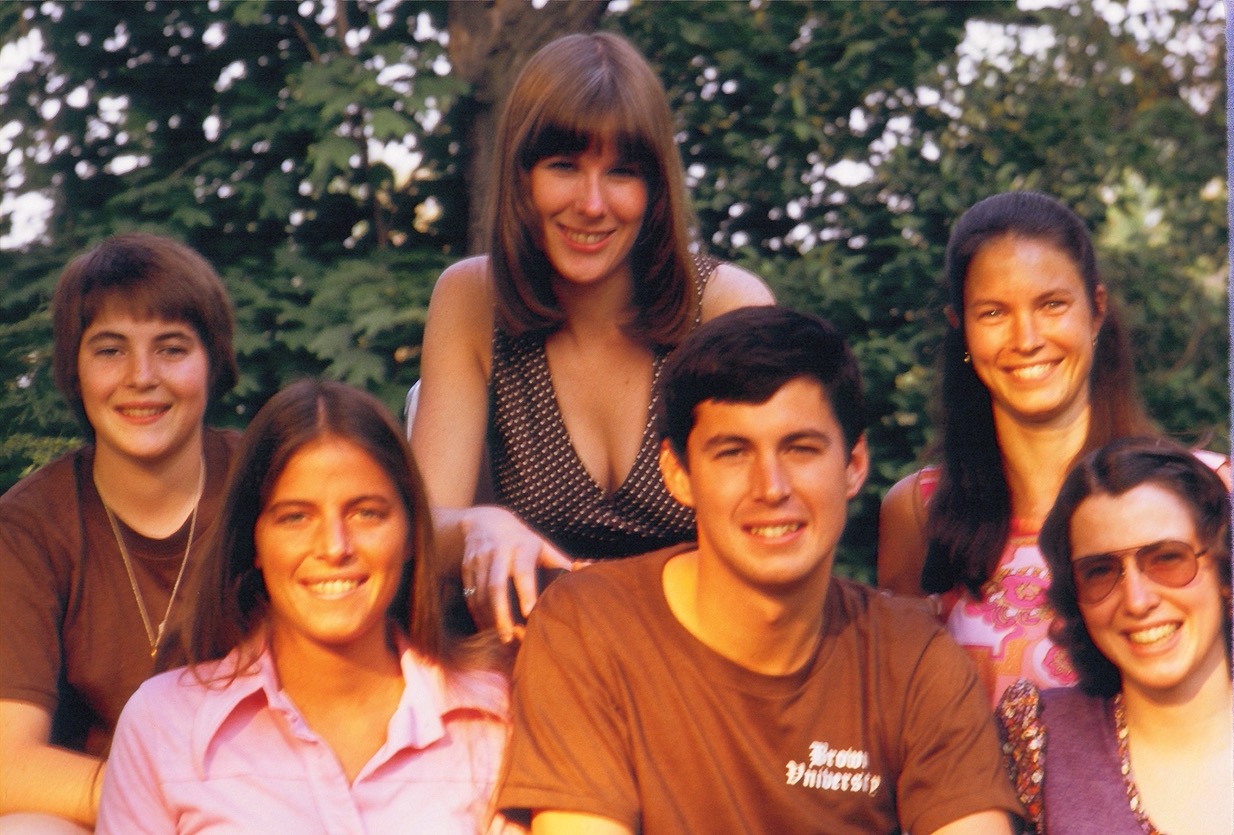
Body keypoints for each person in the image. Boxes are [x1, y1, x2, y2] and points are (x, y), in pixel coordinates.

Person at [496, 306, 1023, 834]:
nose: (771, 487)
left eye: (801, 449)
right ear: (678, 474)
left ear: (854, 465)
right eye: (733, 452)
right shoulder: (590, 626)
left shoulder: (914, 660)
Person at [407, 32, 774, 639]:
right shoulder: (473, 298)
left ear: (655, 189)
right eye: (564, 167)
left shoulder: (725, 307)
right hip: (535, 650)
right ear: (522, 177)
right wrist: (476, 527)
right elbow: (420, 528)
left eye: (622, 173)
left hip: (703, 647)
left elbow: (770, 520)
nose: (593, 203)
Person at [96, 380, 518, 834]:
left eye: (366, 513)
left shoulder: (493, 718)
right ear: (253, 540)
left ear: (412, 533)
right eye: (295, 517)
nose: (334, 547)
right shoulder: (162, 724)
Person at [876, 190, 1229, 705]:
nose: (1026, 339)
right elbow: (899, 714)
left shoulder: (1213, 490)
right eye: (993, 313)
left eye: (1052, 305)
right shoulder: (917, 512)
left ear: (1096, 310)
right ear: (961, 328)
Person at [0, 234, 239, 833]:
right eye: (110, 350)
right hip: (104, 811)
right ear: (74, 371)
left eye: (171, 348)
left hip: (269, 799)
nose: (141, 377)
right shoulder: (26, 529)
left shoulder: (270, 486)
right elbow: (7, 764)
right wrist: (170, 801)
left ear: (213, 362)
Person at [996, 437, 1233, 835]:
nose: (1137, 601)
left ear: (1225, 570)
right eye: (1101, 572)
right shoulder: (1037, 739)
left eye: (1167, 558)